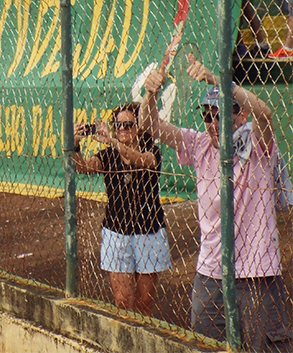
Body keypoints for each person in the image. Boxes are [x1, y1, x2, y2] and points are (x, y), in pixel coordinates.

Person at [141, 57, 290, 349]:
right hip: (210, 271)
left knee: (261, 346)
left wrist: (217, 80)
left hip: (255, 272)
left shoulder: (257, 146)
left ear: (240, 116)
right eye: (207, 116)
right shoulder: (200, 146)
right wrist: (150, 95)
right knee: (206, 343)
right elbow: (150, 125)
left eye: (219, 115)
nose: (212, 124)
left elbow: (265, 113)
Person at [73, 102, 169, 315]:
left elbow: (142, 161)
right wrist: (75, 145)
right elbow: (83, 167)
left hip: (148, 230)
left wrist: (114, 142)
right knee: (123, 301)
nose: (123, 129)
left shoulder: (151, 150)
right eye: (118, 125)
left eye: (128, 124)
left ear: (140, 127)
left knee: (145, 302)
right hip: (116, 230)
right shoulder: (109, 154)